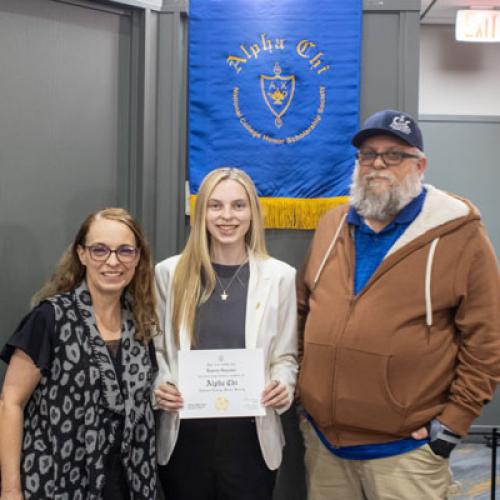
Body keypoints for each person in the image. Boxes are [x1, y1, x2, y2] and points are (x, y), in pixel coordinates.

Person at [297, 109, 500, 499]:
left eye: (394, 155)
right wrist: (307, 398)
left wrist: (452, 423)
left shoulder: (460, 234)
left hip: (406, 454)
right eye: (368, 155)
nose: (378, 165)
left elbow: (487, 341)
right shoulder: (332, 224)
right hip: (325, 447)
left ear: (419, 164)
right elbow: (303, 309)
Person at [153, 167, 298, 500]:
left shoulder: (280, 277)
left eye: (238, 205)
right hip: (184, 437)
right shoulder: (169, 274)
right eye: (215, 206)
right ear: (201, 212)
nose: (227, 216)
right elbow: (159, 352)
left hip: (252, 439)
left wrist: (283, 385)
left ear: (253, 213)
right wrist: (161, 386)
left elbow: (286, 356)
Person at [0, 208, 159, 500]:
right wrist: (10, 490)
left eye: (125, 251)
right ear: (82, 254)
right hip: (56, 481)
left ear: (137, 258)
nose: (113, 261)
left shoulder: (141, 325)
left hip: (129, 483)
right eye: (100, 250)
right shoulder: (50, 318)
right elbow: (11, 402)